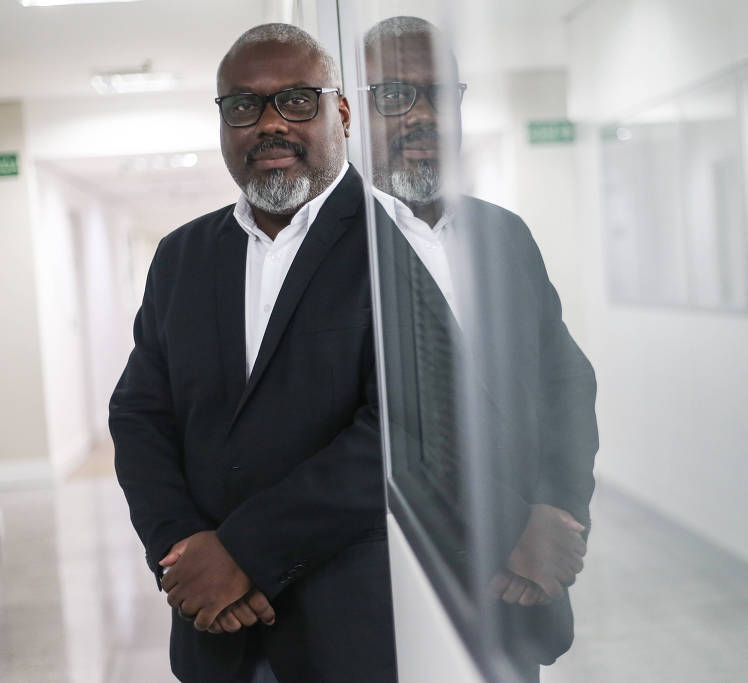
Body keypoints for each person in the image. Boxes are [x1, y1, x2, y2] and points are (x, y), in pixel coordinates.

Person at [109, 24, 396, 683]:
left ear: (341, 113)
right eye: (243, 105)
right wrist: (181, 548)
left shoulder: (395, 242)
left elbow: (399, 430)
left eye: (296, 99)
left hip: (349, 627)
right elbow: (140, 414)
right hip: (216, 632)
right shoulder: (182, 256)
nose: (269, 123)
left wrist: (242, 553)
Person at [363, 16, 599, 679]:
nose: (423, 115)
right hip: (398, 600)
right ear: (352, 112)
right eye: (394, 96)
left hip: (516, 600)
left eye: (441, 94)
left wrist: (558, 516)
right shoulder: (341, 249)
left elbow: (566, 384)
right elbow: (376, 430)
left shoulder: (504, 234)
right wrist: (509, 529)